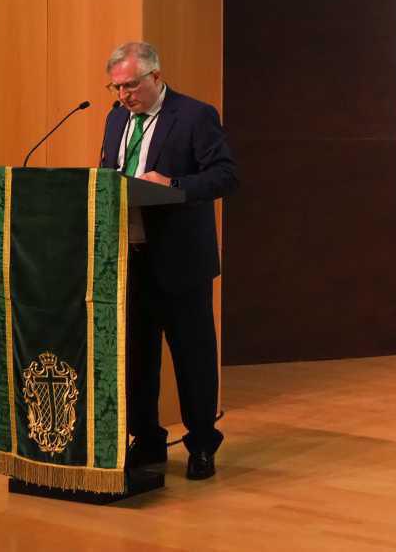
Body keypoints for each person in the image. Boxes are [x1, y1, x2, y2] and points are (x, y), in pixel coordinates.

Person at [99, 41, 239, 480]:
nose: (123, 95)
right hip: (131, 259)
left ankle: (201, 445)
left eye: (131, 85)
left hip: (180, 261)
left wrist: (173, 182)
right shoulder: (116, 118)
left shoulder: (195, 115)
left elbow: (225, 175)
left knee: (192, 357)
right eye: (116, 87)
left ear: (156, 77)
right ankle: (147, 441)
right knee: (137, 358)